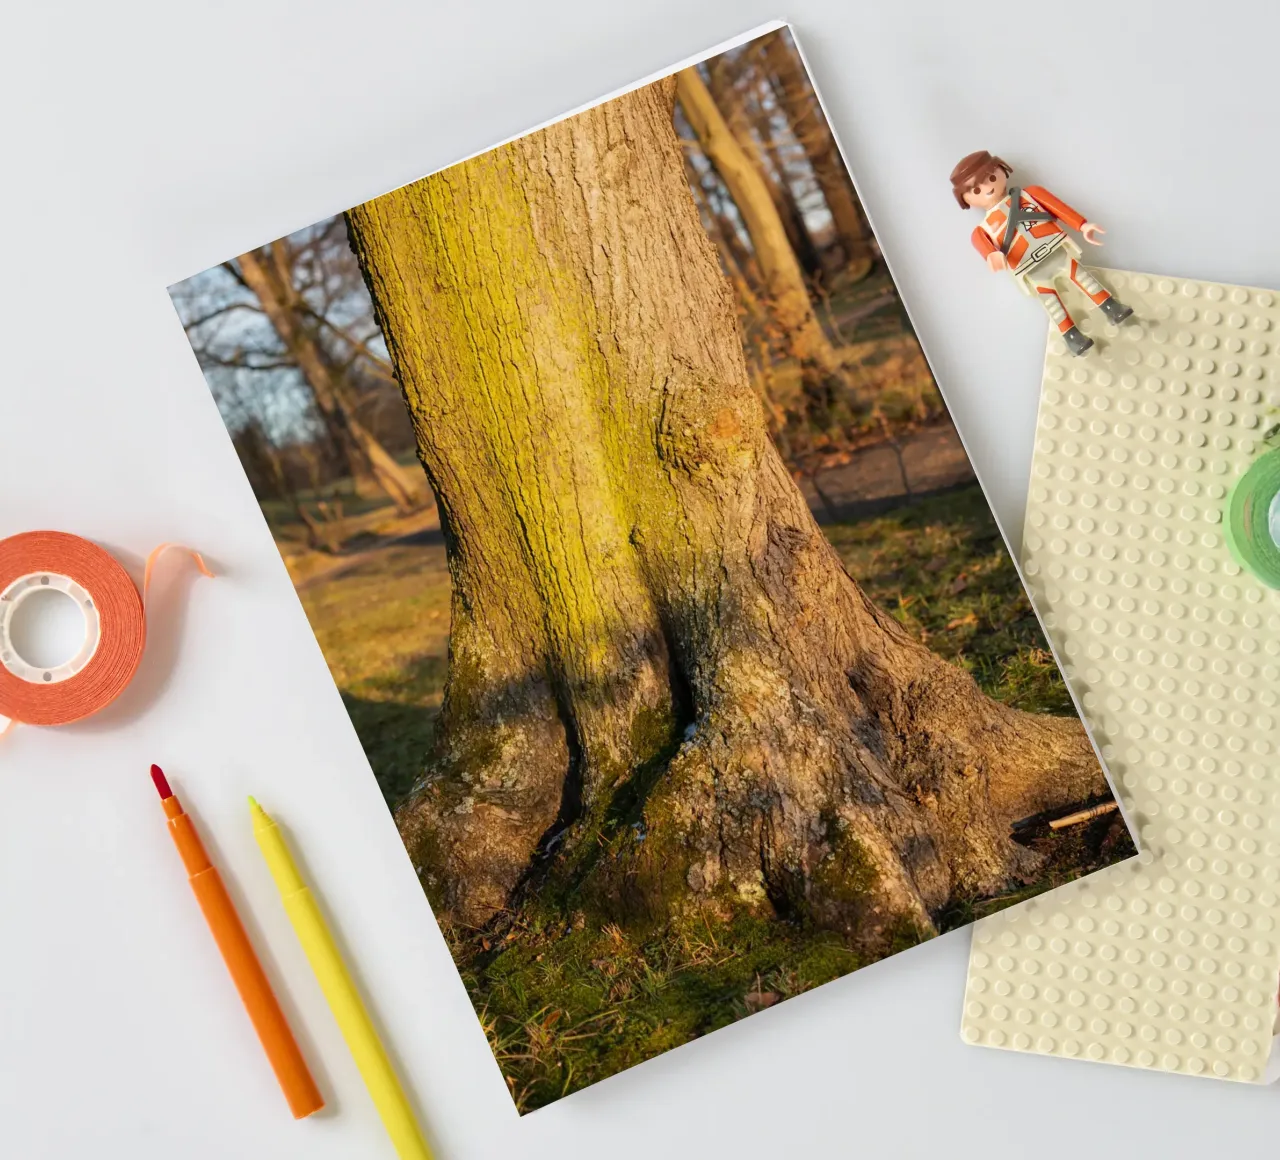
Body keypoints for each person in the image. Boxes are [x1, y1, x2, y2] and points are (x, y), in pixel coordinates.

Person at [950, 150, 1132, 356]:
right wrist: (994, 258)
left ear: (1002, 169)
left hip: (1055, 251)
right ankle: (1072, 337)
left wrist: (1082, 225)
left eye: (991, 177)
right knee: (1051, 302)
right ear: (965, 199)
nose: (988, 187)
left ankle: (1111, 307)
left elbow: (1059, 209)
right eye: (975, 190)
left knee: (1083, 278)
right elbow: (988, 252)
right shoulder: (981, 231)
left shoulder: (1031, 194)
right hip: (1031, 268)